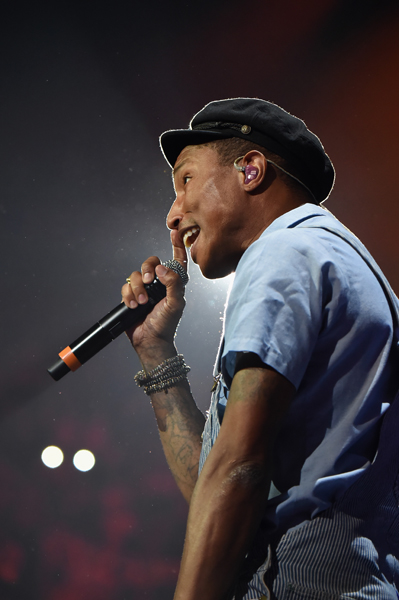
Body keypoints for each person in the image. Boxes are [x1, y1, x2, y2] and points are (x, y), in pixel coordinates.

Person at [121, 98, 399, 600]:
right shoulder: (336, 257)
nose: (173, 215)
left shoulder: (282, 251)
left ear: (250, 170)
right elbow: (217, 486)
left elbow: (239, 468)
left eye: (186, 180)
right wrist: (155, 351)